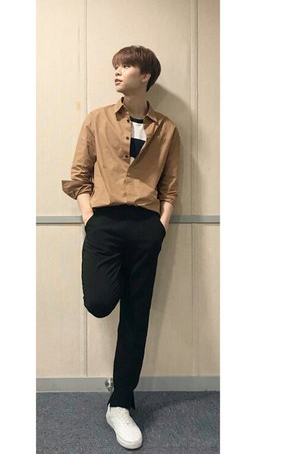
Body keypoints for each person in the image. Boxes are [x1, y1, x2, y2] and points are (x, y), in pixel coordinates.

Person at [61, 45, 181, 450]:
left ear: (145, 76)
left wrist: (161, 226)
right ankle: (120, 398)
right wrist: (90, 219)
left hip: (146, 227)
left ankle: (121, 403)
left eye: (126, 66)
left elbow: (170, 186)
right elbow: (79, 176)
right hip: (105, 224)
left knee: (136, 315)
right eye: (116, 65)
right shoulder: (97, 120)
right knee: (99, 301)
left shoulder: (167, 129)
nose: (117, 71)